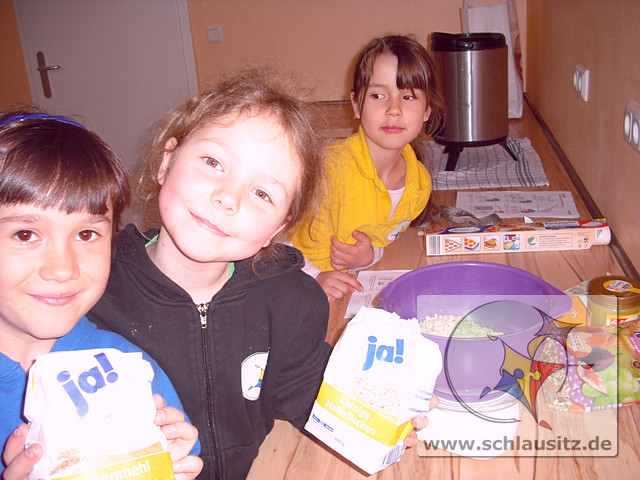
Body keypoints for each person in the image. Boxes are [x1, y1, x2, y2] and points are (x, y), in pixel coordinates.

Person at [87, 66, 430, 480]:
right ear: (166, 162)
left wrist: (377, 411)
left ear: (279, 228)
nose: (228, 198)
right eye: (213, 162)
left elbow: (304, 388)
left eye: (262, 193)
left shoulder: (289, 300)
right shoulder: (89, 297)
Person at [0, 110, 202, 480]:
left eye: (86, 235)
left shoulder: (127, 366)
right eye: (25, 234)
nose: (63, 269)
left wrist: (174, 461)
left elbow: (177, 458)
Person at [290, 35, 445, 303]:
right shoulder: (327, 170)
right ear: (356, 104)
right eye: (378, 95)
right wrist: (312, 277)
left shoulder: (419, 185)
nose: (393, 109)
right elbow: (272, 237)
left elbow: (383, 237)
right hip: (290, 284)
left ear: (427, 110)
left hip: (342, 292)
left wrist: (371, 254)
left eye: (408, 96)